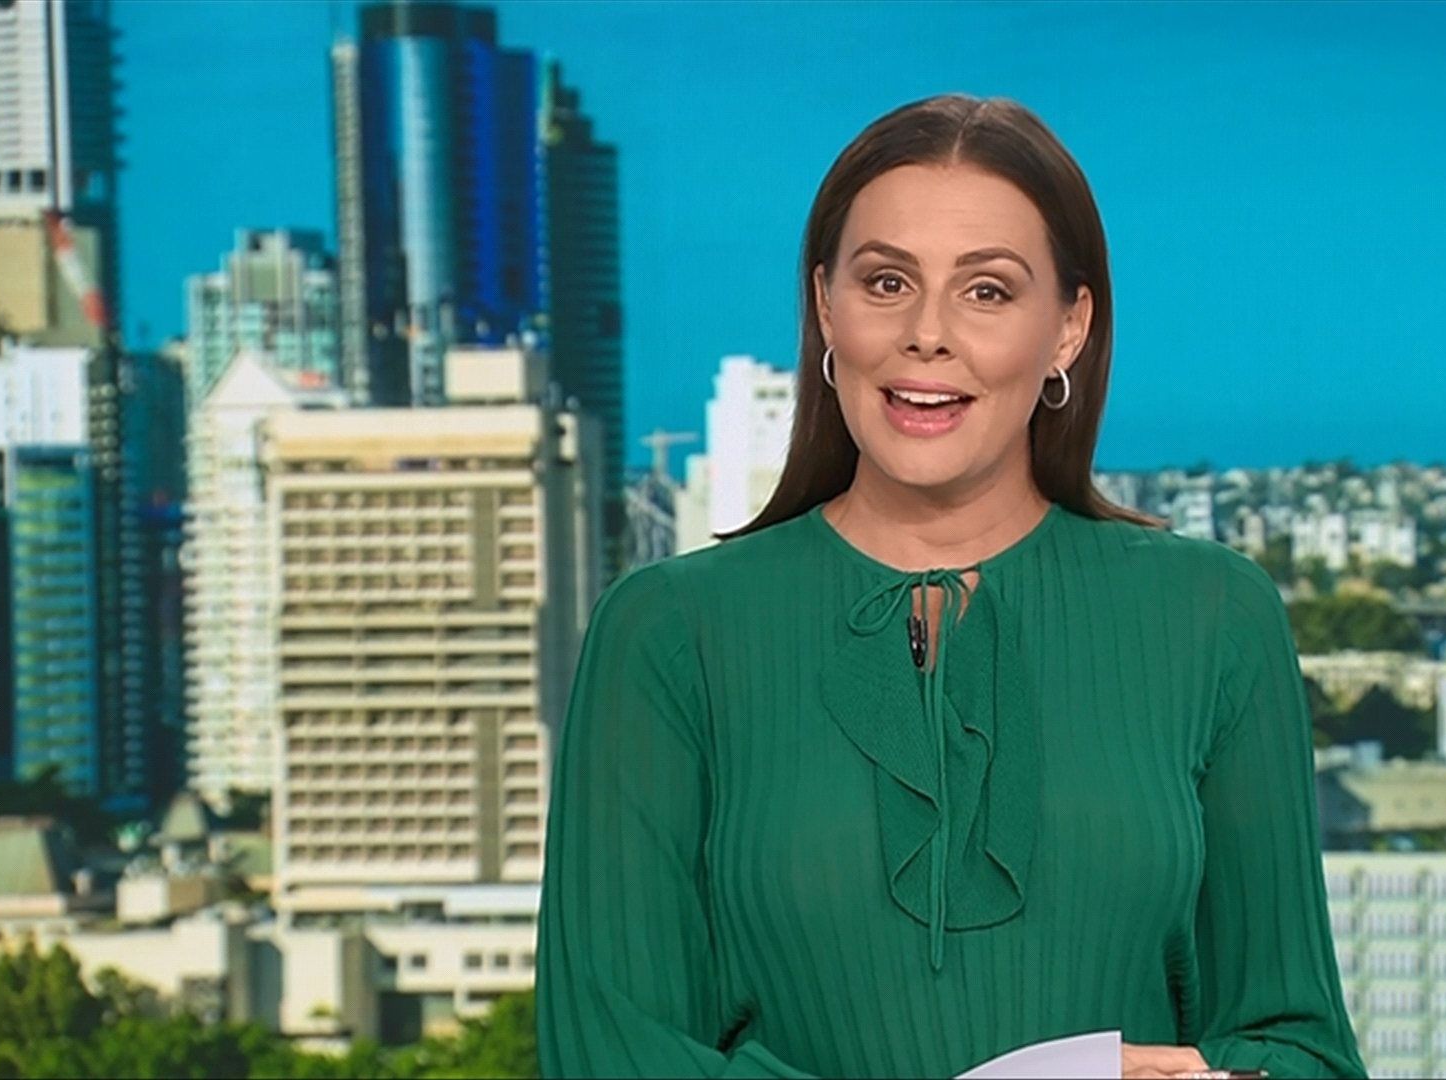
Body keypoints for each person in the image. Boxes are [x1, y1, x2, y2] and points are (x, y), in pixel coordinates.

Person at [535, 93, 1365, 1080]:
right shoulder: (672, 631)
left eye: (987, 291)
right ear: (826, 307)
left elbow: (1300, 1049)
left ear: (1069, 328)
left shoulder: (1212, 616)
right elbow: (607, 1049)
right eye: (887, 281)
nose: (927, 335)